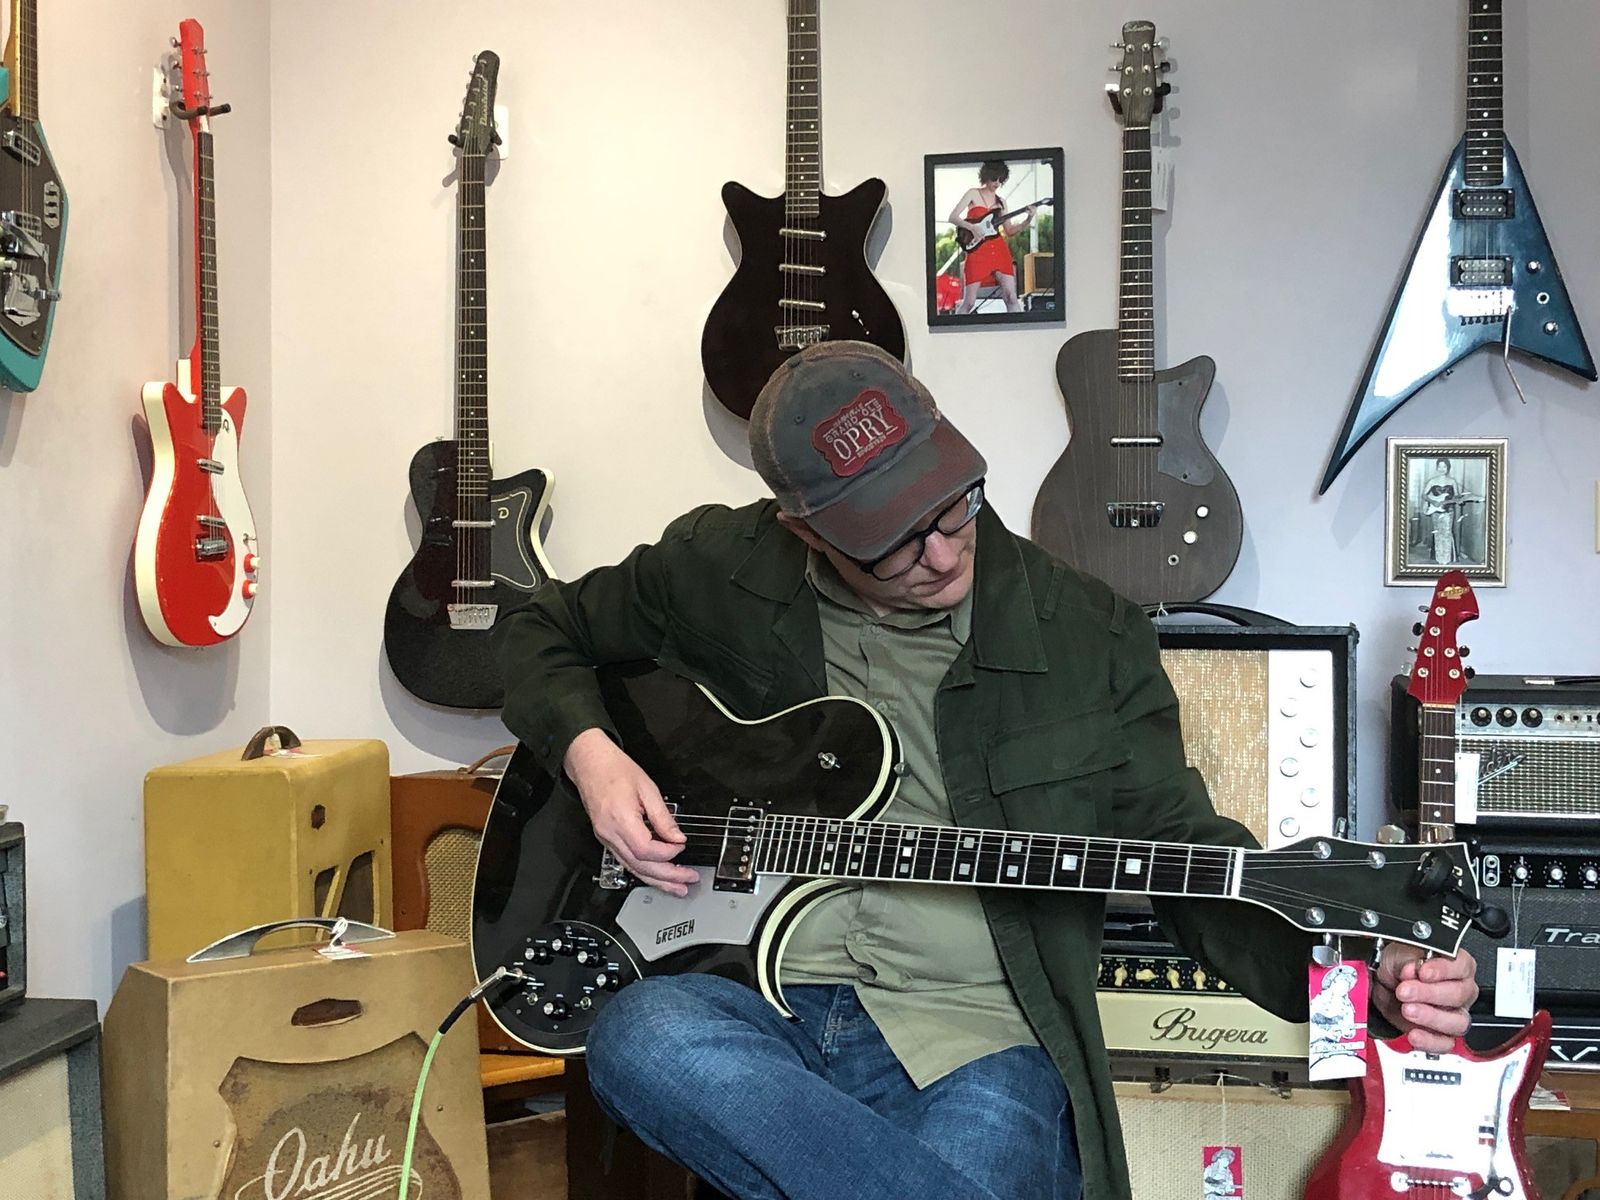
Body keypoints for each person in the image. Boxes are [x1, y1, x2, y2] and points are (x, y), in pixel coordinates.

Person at [494, 341, 1479, 1200]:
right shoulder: (721, 567)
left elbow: (1186, 854)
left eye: (952, 505)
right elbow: (537, 630)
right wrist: (591, 755)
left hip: (970, 1035)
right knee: (639, 1036)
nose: (940, 552)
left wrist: (1367, 976)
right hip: (748, 1001)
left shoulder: (1087, 634)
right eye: (892, 542)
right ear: (804, 531)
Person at [949, 160, 1033, 314]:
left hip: (999, 249)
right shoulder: (973, 193)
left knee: (1011, 297)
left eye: (1001, 180)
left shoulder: (1001, 202)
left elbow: (1009, 230)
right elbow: (953, 217)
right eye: (994, 178)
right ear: (986, 176)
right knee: (969, 302)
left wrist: (1028, 219)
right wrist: (972, 227)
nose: (997, 183)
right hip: (977, 250)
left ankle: (1017, 325)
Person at [1418, 458, 1478, 565]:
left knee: (1446, 532)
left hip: (1448, 510)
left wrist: (1459, 500)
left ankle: (1446, 558)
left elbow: (1456, 496)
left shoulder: (1452, 481)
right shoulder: (1432, 481)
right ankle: (1438, 557)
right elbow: (1424, 495)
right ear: (1437, 468)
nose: (1442, 469)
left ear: (1448, 468)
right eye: (1439, 466)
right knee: (1438, 532)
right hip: (1436, 510)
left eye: (1444, 467)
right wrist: (1433, 501)